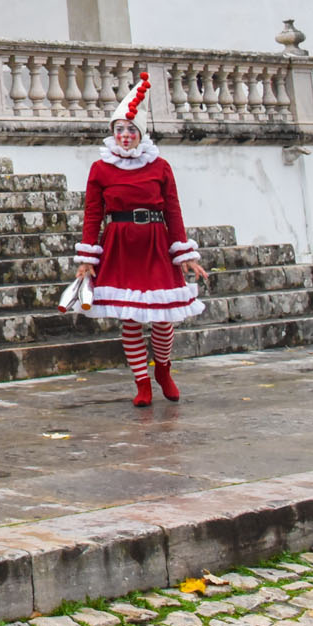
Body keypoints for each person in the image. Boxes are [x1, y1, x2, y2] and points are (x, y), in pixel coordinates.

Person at [72, 73, 209, 407]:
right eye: (119, 129)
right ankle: (142, 383)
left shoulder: (159, 166)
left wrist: (185, 253)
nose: (125, 136)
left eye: (131, 130)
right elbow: (93, 214)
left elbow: (173, 211)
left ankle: (163, 369)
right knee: (131, 319)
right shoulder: (100, 170)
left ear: (140, 134)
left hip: (155, 244)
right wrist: (87, 259)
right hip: (120, 246)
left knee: (163, 319)